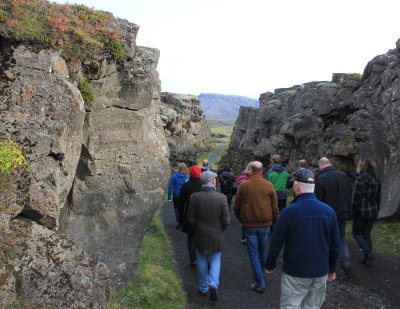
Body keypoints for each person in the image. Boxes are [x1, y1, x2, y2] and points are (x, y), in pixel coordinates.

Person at [266, 168, 341, 309]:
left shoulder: (289, 212)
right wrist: (332, 268)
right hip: (320, 271)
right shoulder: (329, 211)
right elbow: (335, 244)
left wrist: (270, 264)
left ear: (296, 186)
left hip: (295, 270)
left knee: (291, 305)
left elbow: (276, 241)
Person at [234, 161, 279, 293]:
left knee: (253, 253)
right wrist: (274, 220)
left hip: (249, 226)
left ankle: (259, 282)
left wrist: (242, 219)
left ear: (251, 170)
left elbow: (236, 206)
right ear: (262, 170)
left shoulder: (244, 185)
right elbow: (275, 207)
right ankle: (261, 276)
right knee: (262, 251)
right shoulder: (269, 185)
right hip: (265, 225)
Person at [187, 171, 230, 301]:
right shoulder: (221, 198)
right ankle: (213, 284)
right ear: (212, 181)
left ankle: (203, 288)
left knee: (202, 258)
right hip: (216, 234)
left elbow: (190, 219)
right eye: (215, 180)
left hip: (201, 234)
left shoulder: (194, 197)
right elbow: (226, 220)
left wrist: (196, 228)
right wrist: (221, 228)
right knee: (216, 259)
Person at [315, 157, 353, 279]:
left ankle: (326, 265)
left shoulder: (321, 178)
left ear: (320, 166)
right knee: (340, 238)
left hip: (327, 214)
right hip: (342, 212)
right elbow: (349, 193)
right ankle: (346, 262)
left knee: (325, 238)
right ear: (330, 164)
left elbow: (318, 200)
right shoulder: (343, 175)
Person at [351, 158, 381, 267]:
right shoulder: (376, 180)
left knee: (357, 234)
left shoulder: (360, 179)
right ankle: (367, 258)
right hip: (373, 211)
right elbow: (378, 198)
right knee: (366, 234)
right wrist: (377, 209)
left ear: (362, 166)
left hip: (361, 212)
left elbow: (356, 198)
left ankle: (369, 254)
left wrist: (353, 212)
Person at [179, 165, 203, 266]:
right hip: (203, 214)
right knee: (203, 237)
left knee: (191, 238)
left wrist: (181, 217)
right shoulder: (203, 185)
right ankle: (204, 259)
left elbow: (181, 203)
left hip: (190, 214)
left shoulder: (186, 185)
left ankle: (193, 259)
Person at [168, 163, 189, 229]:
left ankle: (178, 222)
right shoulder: (188, 177)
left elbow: (171, 187)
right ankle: (184, 222)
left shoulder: (174, 176)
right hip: (184, 195)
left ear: (179, 168)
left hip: (176, 194)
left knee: (176, 208)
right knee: (184, 208)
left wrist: (169, 197)